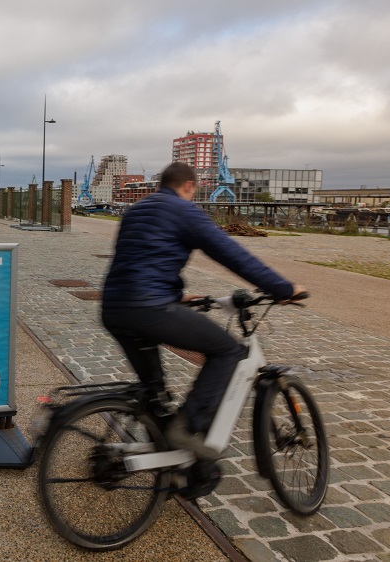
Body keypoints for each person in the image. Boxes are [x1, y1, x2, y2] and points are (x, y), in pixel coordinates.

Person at [101, 162, 305, 491]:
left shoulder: (135, 211)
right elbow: (233, 254)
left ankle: (174, 466)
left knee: (155, 395)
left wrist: (178, 295)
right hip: (149, 309)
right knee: (229, 351)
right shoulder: (184, 210)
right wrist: (283, 288)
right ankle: (189, 426)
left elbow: (138, 262)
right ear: (189, 186)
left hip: (114, 308)